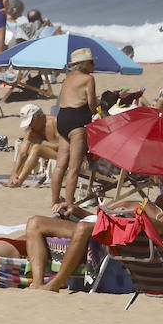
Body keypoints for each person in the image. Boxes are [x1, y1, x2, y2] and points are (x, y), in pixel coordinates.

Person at [24, 193, 163, 291]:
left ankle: (55, 283)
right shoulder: (146, 205)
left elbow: (158, 228)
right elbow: (101, 216)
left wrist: (127, 217)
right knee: (34, 222)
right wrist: (76, 209)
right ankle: (38, 283)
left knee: (83, 228)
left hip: (114, 235)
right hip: (99, 225)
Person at [52, 48, 99, 217]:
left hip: (62, 118)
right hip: (77, 120)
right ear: (85, 64)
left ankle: (55, 201)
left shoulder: (68, 78)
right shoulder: (89, 79)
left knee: (60, 166)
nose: (95, 64)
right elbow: (92, 106)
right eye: (92, 62)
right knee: (74, 168)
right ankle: (69, 205)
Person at [2, 104, 60, 188]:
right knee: (25, 146)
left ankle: (19, 181)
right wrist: (13, 174)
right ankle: (15, 180)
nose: (30, 125)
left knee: (37, 148)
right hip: (50, 152)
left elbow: (63, 147)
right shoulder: (33, 128)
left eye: (31, 122)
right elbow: (22, 152)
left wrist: (42, 142)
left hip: (64, 154)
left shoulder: (55, 123)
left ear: (39, 116)